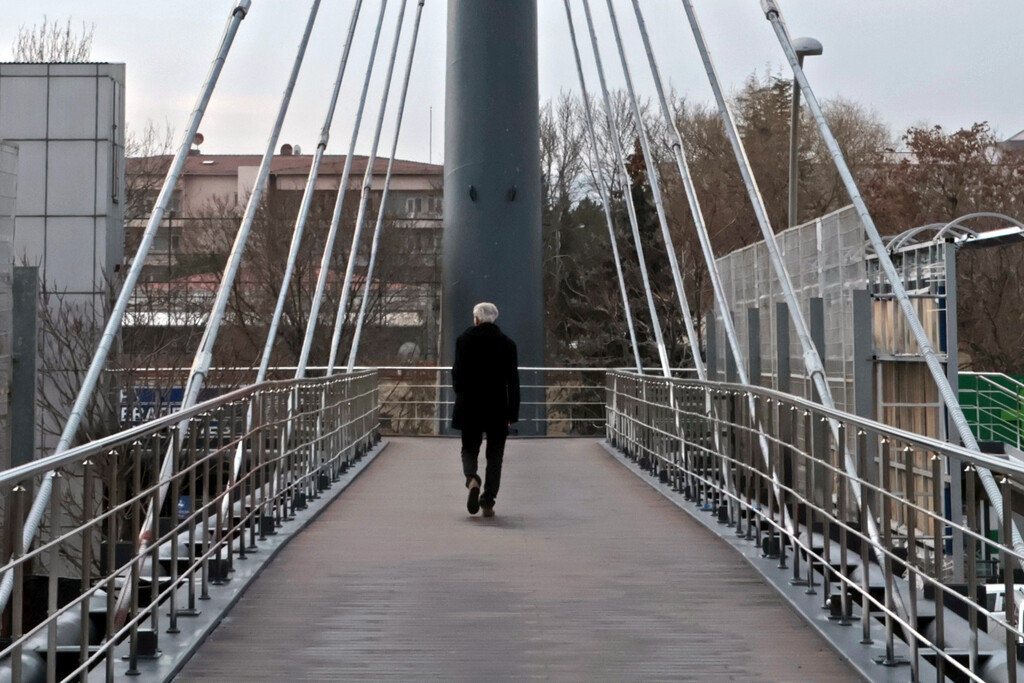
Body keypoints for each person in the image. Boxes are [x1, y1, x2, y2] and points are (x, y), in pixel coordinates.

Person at [451, 302, 519, 517]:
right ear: (494, 318)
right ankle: (488, 500)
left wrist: (460, 393)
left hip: (470, 405)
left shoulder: (463, 340)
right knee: (495, 455)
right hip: (497, 407)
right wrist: (512, 413)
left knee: (469, 448)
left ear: (477, 319)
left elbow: (457, 374)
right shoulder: (508, 344)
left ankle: (472, 479)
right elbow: (513, 382)